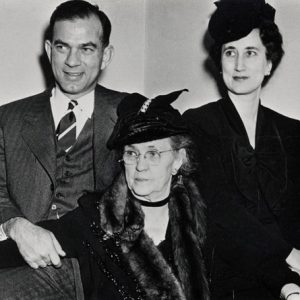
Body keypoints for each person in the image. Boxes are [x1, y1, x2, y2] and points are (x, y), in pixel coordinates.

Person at [0, 90, 210, 300]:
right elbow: (12, 251)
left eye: (153, 153)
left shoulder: (205, 221)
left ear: (178, 160)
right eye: (131, 153)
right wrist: (17, 227)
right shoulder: (95, 219)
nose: (140, 165)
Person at [0, 0, 127, 298]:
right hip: (19, 260)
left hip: (103, 271)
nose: (72, 61)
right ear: (48, 50)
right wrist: (16, 226)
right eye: (62, 47)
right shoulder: (9, 119)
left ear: (105, 55)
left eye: (86, 48)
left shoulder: (129, 112)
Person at [183, 0, 300, 299]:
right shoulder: (197, 123)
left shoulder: (293, 131)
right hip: (227, 277)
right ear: (218, 61)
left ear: (269, 62)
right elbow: (219, 209)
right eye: (230, 52)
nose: (238, 65)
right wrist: (288, 257)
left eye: (251, 53)